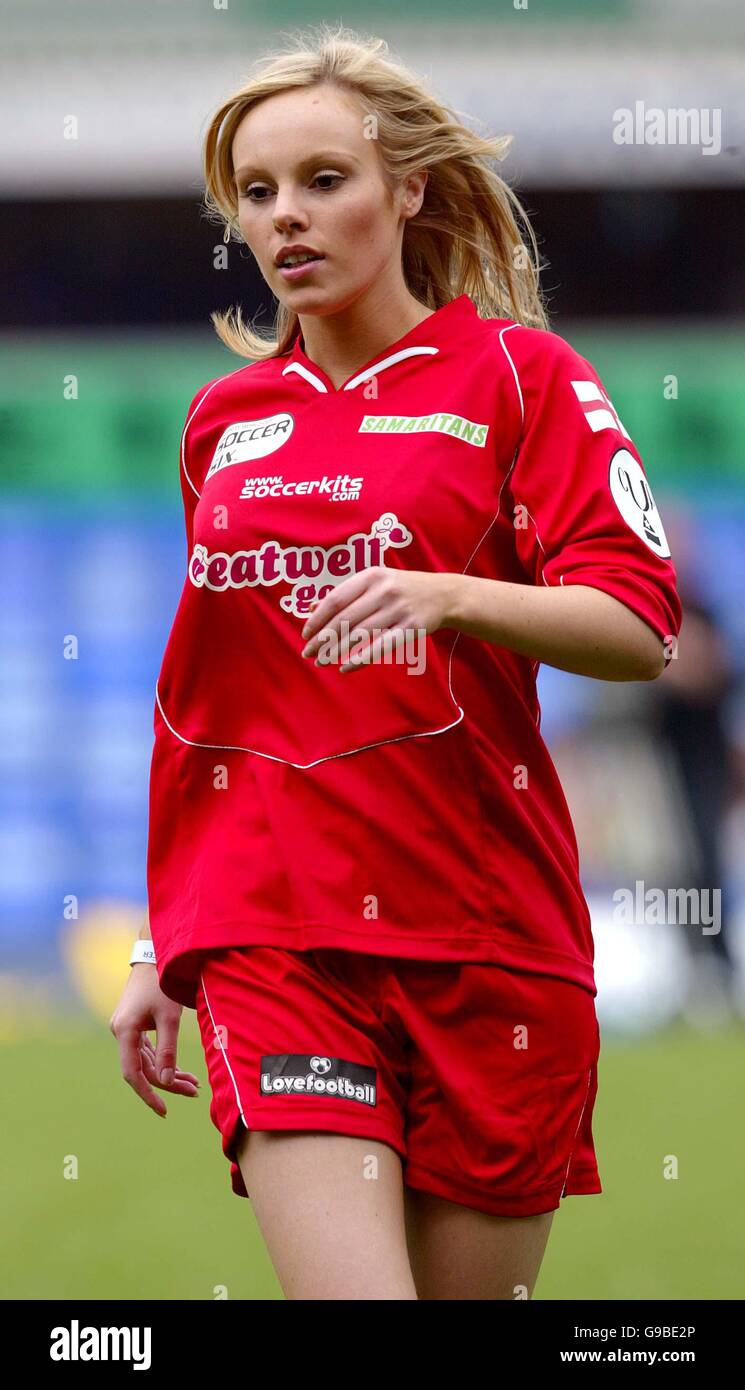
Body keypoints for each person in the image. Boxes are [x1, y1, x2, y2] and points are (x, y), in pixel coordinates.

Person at [109, 24, 682, 1300]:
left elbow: (640, 625)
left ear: (407, 190)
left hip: (490, 939)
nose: (286, 219)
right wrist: (163, 945)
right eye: (256, 193)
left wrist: (452, 598)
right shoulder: (225, 425)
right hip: (277, 938)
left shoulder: (522, 383)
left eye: (325, 180)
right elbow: (213, 700)